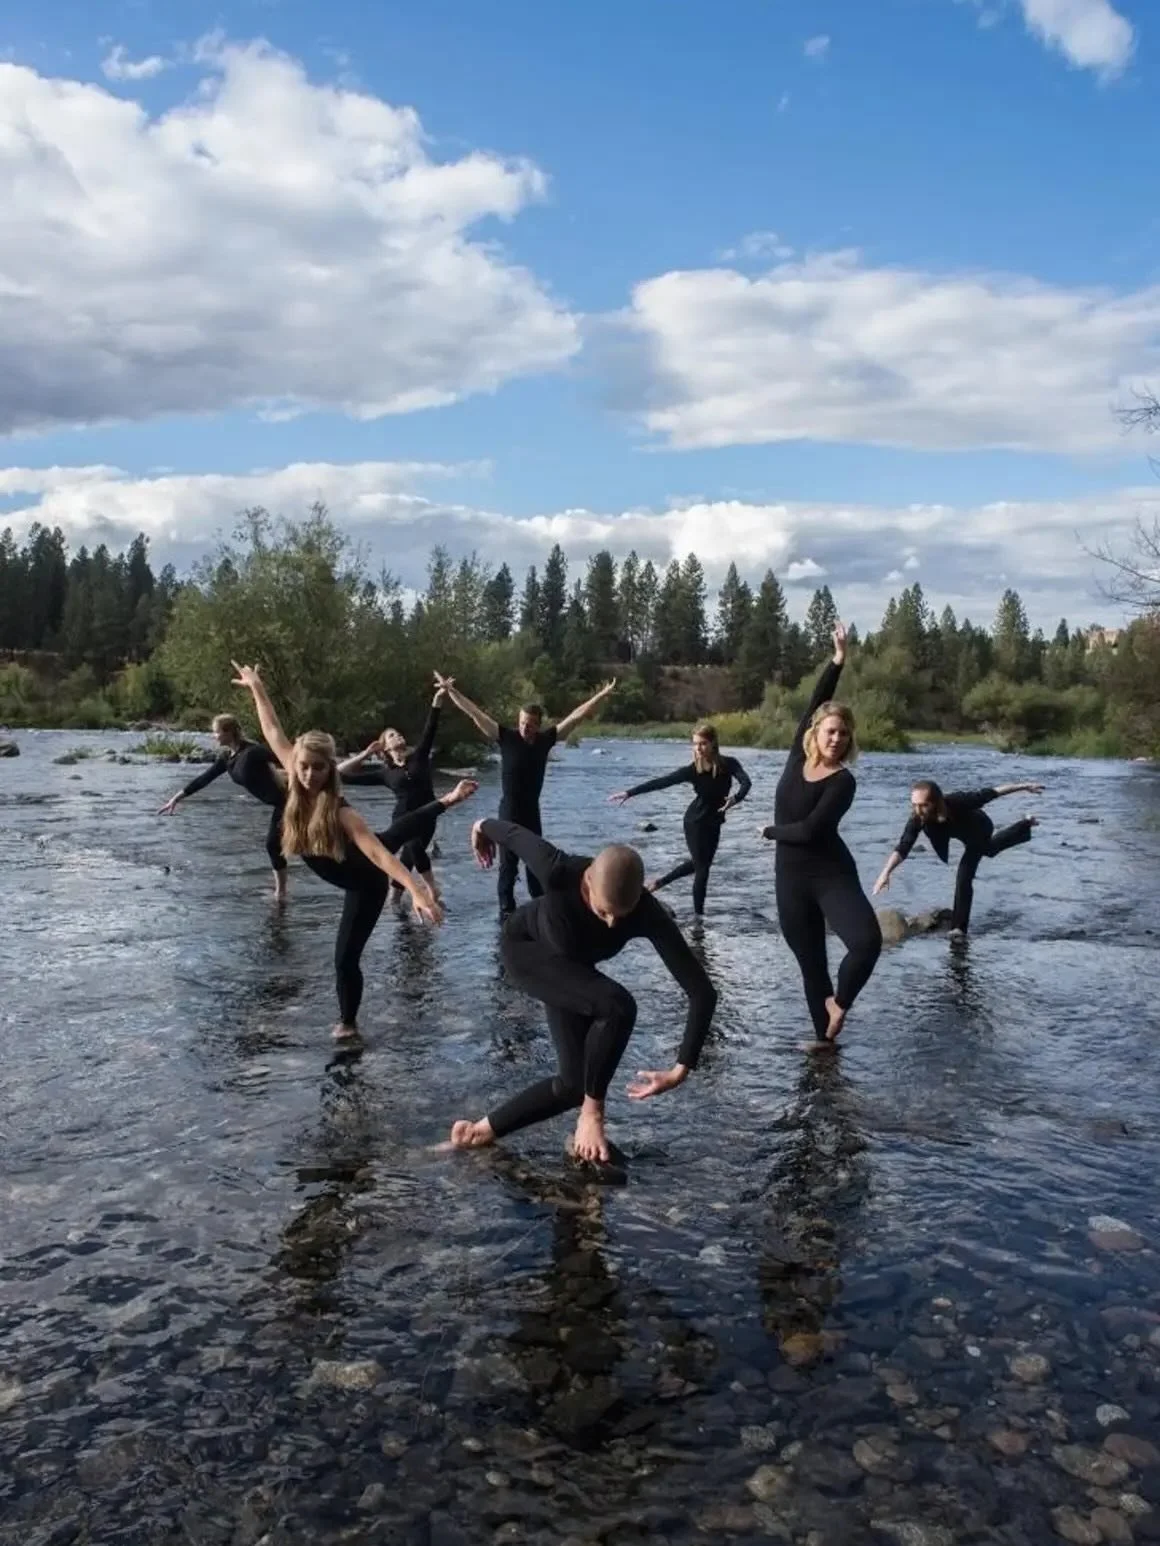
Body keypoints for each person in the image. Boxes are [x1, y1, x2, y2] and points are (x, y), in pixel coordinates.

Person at [448, 815, 718, 1163]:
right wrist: (480, 828)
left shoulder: (647, 913)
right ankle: (592, 1116)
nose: (611, 924)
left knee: (575, 1084)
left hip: (570, 967)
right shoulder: (558, 870)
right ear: (588, 883)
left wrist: (680, 1069)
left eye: (622, 915)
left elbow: (701, 991)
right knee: (617, 1005)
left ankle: (481, 1131)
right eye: (605, 911)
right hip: (527, 949)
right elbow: (513, 832)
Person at [230, 661, 477, 1041]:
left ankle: (348, 1025)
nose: (310, 775)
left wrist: (416, 892)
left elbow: (379, 857)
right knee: (396, 831)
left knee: (344, 958)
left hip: (365, 880)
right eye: (304, 767)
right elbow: (272, 729)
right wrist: (257, 687)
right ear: (295, 766)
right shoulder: (293, 781)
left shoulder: (342, 812)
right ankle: (448, 798)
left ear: (331, 770)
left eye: (318, 768)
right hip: (353, 862)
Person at [759, 623, 880, 1045]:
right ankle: (825, 1049)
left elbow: (810, 830)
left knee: (867, 943)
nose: (837, 738)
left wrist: (769, 830)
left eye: (844, 733)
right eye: (831, 730)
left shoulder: (843, 782)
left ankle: (839, 1005)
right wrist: (839, 659)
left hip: (830, 874)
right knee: (812, 966)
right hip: (789, 880)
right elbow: (817, 699)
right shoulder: (796, 755)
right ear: (816, 732)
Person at [434, 672, 618, 918]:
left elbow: (577, 715)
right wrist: (451, 691)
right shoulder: (506, 737)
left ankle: (542, 913)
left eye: (529, 724)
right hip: (509, 812)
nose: (524, 728)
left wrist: (602, 695)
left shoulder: (545, 741)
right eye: (521, 722)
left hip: (532, 814)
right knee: (508, 868)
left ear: (538, 725)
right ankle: (505, 917)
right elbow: (475, 714)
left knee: (537, 867)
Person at [873, 778, 1044, 939]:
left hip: (980, 828)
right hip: (963, 834)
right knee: (990, 850)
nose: (918, 810)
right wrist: (885, 873)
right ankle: (1026, 824)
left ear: (936, 802)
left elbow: (992, 793)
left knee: (964, 876)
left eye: (923, 805)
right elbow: (904, 846)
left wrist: (1024, 786)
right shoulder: (918, 818)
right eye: (914, 805)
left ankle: (959, 929)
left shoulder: (957, 801)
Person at [609, 725, 751, 917]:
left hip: (715, 822)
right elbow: (662, 782)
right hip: (695, 822)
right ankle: (699, 918)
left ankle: (658, 883)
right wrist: (630, 793)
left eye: (703, 744)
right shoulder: (693, 770)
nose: (698, 749)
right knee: (702, 870)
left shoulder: (729, 764)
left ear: (713, 743)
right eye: (695, 744)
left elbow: (746, 782)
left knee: (700, 865)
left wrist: (736, 798)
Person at [157, 713, 290, 901]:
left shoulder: (253, 752)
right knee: (277, 845)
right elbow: (205, 778)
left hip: (291, 801)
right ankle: (281, 892)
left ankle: (281, 893)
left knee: (274, 845)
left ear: (228, 732)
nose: (214, 736)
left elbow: (287, 759)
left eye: (216, 732)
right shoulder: (228, 758)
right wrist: (176, 798)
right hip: (280, 804)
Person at [338, 684, 448, 903]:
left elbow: (431, 728)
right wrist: (366, 753)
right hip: (402, 817)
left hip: (428, 815)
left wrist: (437, 698)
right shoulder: (385, 773)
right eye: (391, 735)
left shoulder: (419, 757)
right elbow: (341, 775)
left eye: (398, 733)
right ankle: (416, 893)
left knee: (410, 855)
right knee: (411, 849)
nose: (397, 736)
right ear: (385, 747)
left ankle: (411, 896)